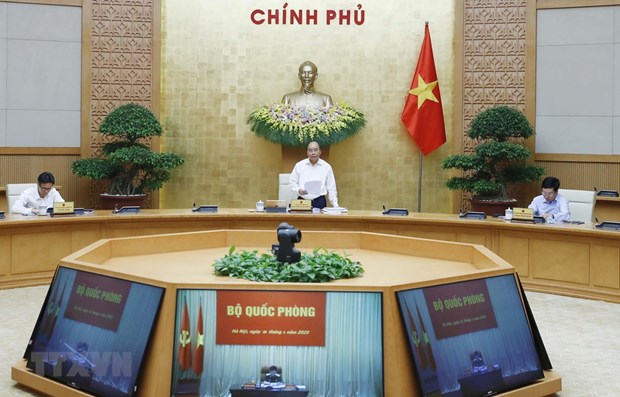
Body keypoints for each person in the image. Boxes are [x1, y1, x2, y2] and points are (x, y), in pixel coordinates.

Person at [289, 141, 339, 209]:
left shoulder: (326, 167)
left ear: (320, 151)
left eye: (315, 150)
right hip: (302, 201)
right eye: (310, 150)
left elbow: (331, 187)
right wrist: (298, 190)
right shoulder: (299, 165)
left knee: (319, 220)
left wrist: (335, 204)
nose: (313, 153)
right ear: (307, 152)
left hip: (319, 201)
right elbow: (292, 181)